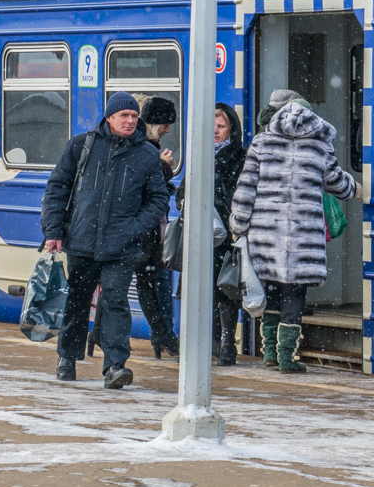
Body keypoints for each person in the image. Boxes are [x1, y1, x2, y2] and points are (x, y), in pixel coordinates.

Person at [41, 92, 170, 388]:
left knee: (115, 302)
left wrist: (135, 228)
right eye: (124, 115)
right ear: (109, 117)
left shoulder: (146, 155)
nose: (130, 120)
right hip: (81, 240)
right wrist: (53, 231)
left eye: (134, 116)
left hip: (122, 245)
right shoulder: (82, 145)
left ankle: (114, 365)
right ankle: (67, 358)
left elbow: (159, 199)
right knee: (77, 301)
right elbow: (57, 188)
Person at [230, 90, 355, 374]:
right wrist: (355, 186)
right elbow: (339, 185)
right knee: (294, 295)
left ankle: (270, 353)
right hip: (303, 238)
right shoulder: (319, 146)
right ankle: (288, 358)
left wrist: (238, 225)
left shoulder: (261, 143)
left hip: (267, 234)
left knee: (271, 291)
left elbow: (245, 189)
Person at [176, 102, 247, 365]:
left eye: (221, 126)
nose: (215, 131)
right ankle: (204, 342)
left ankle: (228, 343)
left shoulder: (241, 158)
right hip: (199, 236)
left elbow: (243, 194)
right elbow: (181, 193)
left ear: (231, 130)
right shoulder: (199, 155)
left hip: (228, 235)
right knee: (198, 289)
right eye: (212, 126)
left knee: (227, 289)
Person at [135, 95, 179, 359]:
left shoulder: (147, 147)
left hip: (153, 228)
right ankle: (163, 335)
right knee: (149, 280)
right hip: (147, 229)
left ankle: (162, 335)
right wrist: (164, 168)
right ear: (152, 123)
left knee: (153, 281)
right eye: (164, 123)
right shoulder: (147, 150)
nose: (168, 129)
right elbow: (149, 189)